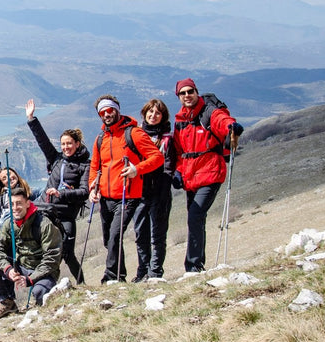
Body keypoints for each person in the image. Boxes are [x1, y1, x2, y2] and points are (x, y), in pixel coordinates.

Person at [88, 94, 164, 283]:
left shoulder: (134, 133)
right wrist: (92, 187)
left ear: (117, 109)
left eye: (110, 110)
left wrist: (136, 169)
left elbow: (157, 158)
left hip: (128, 195)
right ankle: (120, 276)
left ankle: (111, 277)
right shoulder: (100, 139)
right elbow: (95, 167)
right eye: (103, 112)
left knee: (115, 236)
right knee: (109, 240)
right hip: (105, 197)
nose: (107, 114)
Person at [171, 79, 243, 273]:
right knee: (196, 219)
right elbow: (179, 151)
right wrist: (178, 171)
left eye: (190, 91)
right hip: (191, 177)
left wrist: (232, 127)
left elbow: (222, 120)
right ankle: (197, 264)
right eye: (183, 93)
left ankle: (193, 266)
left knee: (195, 216)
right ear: (178, 97)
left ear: (196, 92)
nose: (187, 95)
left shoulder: (209, 112)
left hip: (211, 172)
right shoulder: (180, 120)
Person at [25, 98, 91, 284]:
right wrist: (31, 119)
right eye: (63, 144)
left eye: (69, 143)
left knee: (68, 254)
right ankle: (43, 285)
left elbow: (84, 192)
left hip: (65, 216)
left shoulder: (85, 165)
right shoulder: (56, 159)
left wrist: (61, 193)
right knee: (42, 252)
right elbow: (42, 141)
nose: (65, 147)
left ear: (77, 143)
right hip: (45, 212)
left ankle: (81, 284)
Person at [0, 187, 62, 318]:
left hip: (43, 273)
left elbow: (52, 259)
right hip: (21, 267)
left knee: (40, 293)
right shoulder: (10, 224)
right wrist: (7, 269)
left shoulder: (43, 224)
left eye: (19, 203)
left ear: (28, 203)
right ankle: (7, 302)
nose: (15, 208)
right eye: (11, 204)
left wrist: (30, 279)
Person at [134, 99, 177, 280]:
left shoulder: (168, 139)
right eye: (150, 112)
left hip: (159, 192)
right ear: (144, 114)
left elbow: (169, 167)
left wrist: (163, 192)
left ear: (163, 116)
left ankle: (155, 272)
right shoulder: (136, 136)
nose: (153, 116)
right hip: (139, 193)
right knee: (140, 234)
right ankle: (143, 271)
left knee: (157, 235)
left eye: (157, 113)